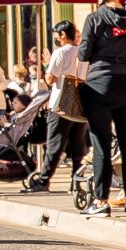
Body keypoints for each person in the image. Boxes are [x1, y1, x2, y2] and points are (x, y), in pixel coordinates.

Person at [78, 0, 126, 218]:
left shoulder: (94, 18)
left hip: (99, 86)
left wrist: (77, 84)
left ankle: (100, 200)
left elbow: (84, 54)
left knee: (101, 146)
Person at [26, 21, 88, 192]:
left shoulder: (60, 53)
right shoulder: (84, 52)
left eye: (56, 35)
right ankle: (76, 182)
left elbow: (50, 79)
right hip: (81, 104)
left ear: (62, 35)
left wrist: (47, 65)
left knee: (54, 144)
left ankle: (44, 180)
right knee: (78, 147)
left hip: (60, 103)